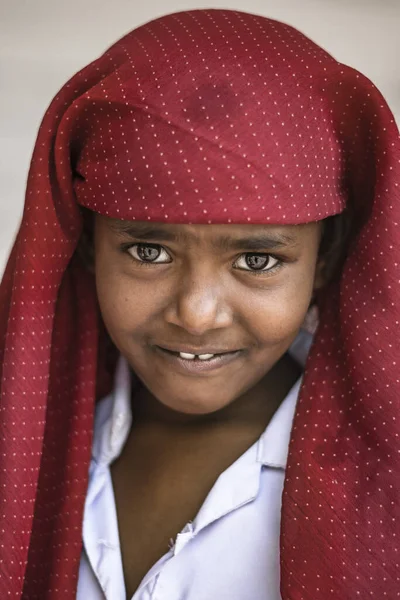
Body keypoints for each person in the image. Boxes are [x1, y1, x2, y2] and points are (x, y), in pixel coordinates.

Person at [0, 8, 398, 600]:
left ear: (327, 257)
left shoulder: (384, 485)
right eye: (148, 251)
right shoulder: (22, 434)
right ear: (86, 242)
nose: (196, 314)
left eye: (256, 261)